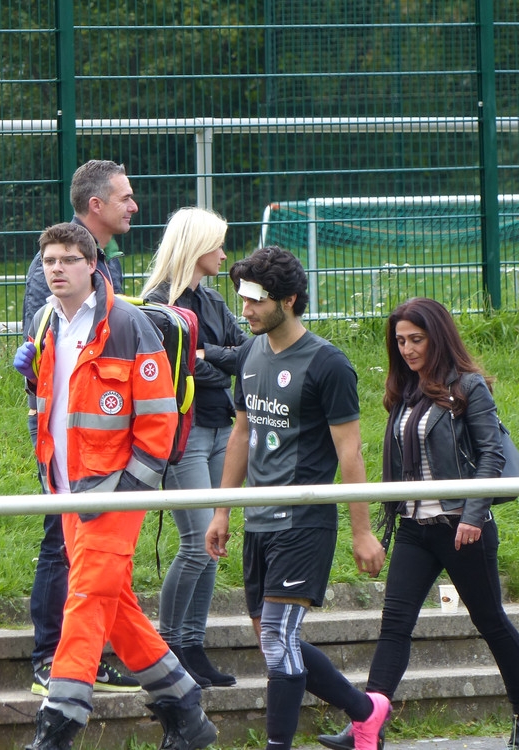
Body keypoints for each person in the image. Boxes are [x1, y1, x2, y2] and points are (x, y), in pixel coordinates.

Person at [13, 222, 215, 750]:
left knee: (84, 597)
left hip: (115, 492)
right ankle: (186, 712)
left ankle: (57, 726)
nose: (57, 269)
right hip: (67, 490)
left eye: (68, 260)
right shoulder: (45, 321)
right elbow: (47, 404)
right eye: (49, 261)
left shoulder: (127, 323)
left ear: (92, 265)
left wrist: (127, 491)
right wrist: (33, 381)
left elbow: (159, 420)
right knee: (113, 602)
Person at [317, 297, 519, 750]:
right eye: (400, 341)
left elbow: (491, 454)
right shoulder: (404, 391)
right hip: (414, 527)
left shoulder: (468, 387)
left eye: (416, 339)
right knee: (394, 625)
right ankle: (367, 725)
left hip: (462, 527)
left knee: (490, 621)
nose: (407, 349)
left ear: (437, 338)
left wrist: (474, 514)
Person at [204, 245, 390, 750]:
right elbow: (241, 434)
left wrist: (362, 531)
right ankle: (366, 712)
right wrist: (222, 511)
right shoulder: (249, 354)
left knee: (275, 638)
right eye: (243, 299)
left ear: (288, 300)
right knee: (273, 639)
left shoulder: (328, 363)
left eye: (256, 301)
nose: (245, 310)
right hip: (258, 521)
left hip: (304, 521)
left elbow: (350, 452)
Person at [20, 159, 141, 696]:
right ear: (97, 205)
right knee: (61, 539)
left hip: (106, 431)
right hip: (65, 430)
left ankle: (88, 655)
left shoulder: (106, 261)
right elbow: (45, 343)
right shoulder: (55, 261)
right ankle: (50, 658)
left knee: (98, 549)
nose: (133, 206)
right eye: (124, 198)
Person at [140, 206, 247, 688]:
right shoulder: (157, 304)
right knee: (197, 542)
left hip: (221, 427)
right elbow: (176, 368)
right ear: (196, 247)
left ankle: (192, 644)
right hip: (185, 434)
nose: (224, 254)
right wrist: (216, 367)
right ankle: (168, 646)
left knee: (213, 542)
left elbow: (247, 352)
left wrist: (210, 357)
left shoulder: (212, 299)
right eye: (217, 245)